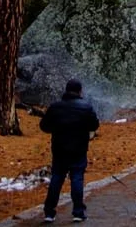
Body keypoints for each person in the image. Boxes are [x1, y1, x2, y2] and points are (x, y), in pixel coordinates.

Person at [40, 78, 99, 224]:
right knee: (77, 179)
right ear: (80, 91)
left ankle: (49, 212)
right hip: (79, 149)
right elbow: (94, 124)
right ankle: (78, 212)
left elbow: (44, 126)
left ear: (66, 90)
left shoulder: (55, 107)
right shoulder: (86, 107)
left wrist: (56, 128)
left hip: (59, 149)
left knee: (57, 178)